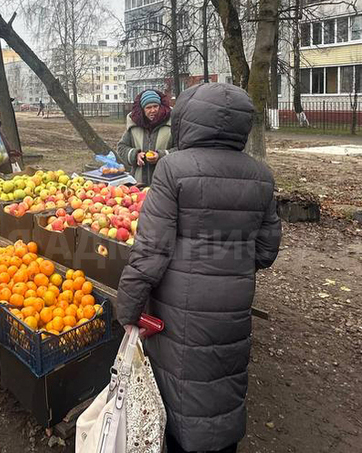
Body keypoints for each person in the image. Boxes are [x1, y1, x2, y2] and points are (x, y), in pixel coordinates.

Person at [115, 83, 282, 453]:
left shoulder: (174, 169)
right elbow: (267, 251)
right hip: (235, 301)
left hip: (180, 304)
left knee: (182, 388)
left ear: (186, 121)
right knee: (224, 377)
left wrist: (126, 310)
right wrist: (231, 265)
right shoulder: (261, 175)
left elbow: (151, 251)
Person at [117, 89, 174, 186]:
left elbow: (182, 150)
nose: (153, 110)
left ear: (160, 106)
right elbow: (121, 147)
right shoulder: (134, 125)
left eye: (156, 106)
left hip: (165, 184)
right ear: (142, 109)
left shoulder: (172, 124)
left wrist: (161, 155)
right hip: (138, 184)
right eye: (148, 107)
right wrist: (135, 155)